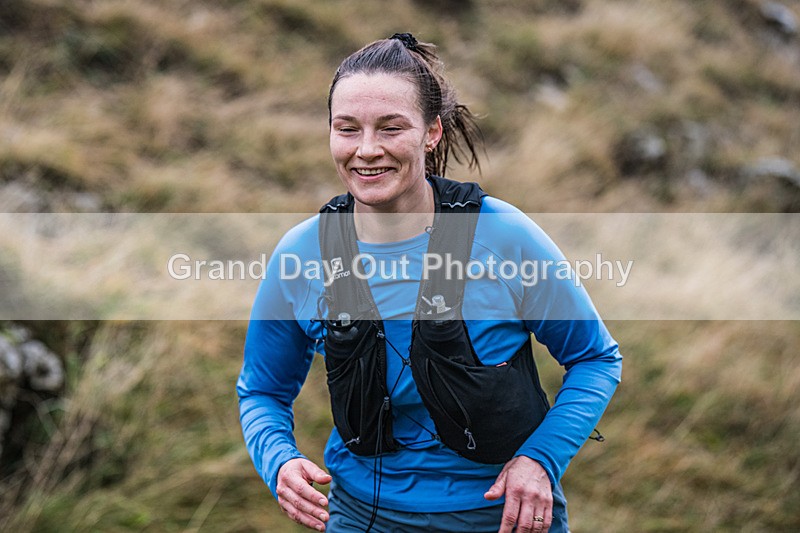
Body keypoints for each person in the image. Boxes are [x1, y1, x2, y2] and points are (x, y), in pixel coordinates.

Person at [238, 33, 622, 533]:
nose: (367, 150)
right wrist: (280, 462)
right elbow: (262, 391)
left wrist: (540, 460)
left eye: (391, 128)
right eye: (347, 129)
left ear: (432, 132)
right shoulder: (302, 254)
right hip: (359, 516)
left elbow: (595, 358)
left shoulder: (501, 236)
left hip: (502, 517)